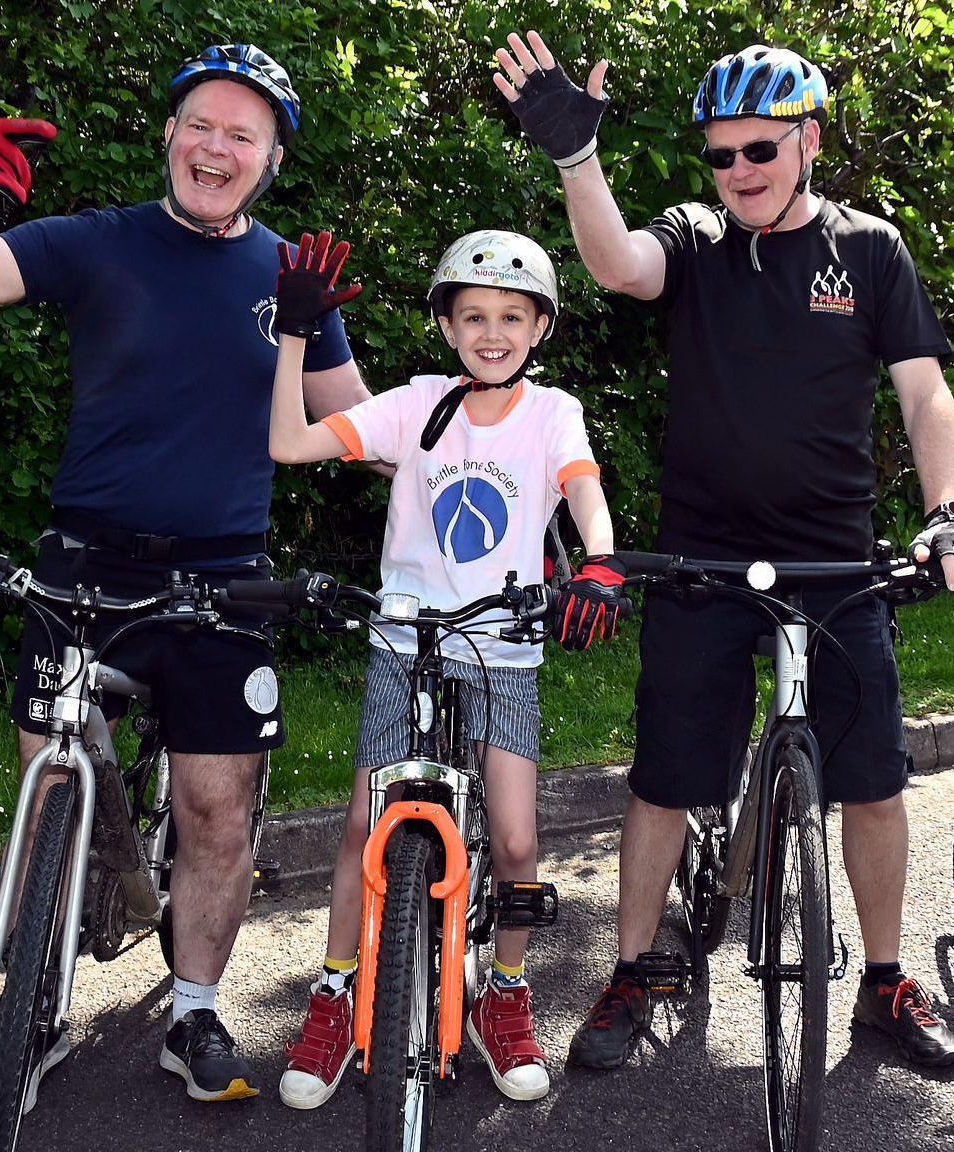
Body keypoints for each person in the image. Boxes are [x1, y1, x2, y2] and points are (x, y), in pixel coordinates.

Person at [493, 32, 954, 1071]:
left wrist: (945, 510)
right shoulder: (695, 235)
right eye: (719, 156)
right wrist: (573, 160)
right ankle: (634, 972)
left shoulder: (869, 251)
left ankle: (885, 982)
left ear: (808, 141)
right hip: (702, 561)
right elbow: (619, 268)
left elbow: (923, 393)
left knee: (871, 781)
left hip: (834, 562)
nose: (737, 175)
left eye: (758, 152)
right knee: (668, 780)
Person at [0, 44, 374, 1111]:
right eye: (202, 123)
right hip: (83, 567)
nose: (217, 145)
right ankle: (39, 994)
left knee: (215, 807)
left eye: (243, 134)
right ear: (169, 134)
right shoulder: (97, 244)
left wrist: (486, 432)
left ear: (270, 159)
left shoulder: (291, 277)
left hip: (225, 578)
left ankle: (194, 1006)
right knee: (50, 781)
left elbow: (355, 427)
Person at [265, 228, 626, 1106]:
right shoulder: (420, 403)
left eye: (511, 316)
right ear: (448, 326)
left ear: (539, 327)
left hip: (502, 646)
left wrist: (600, 564)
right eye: (473, 316)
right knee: (361, 830)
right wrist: (294, 337)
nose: (492, 332)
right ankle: (335, 990)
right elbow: (288, 444)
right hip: (405, 641)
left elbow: (582, 491)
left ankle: (505, 992)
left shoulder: (553, 413)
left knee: (514, 840)